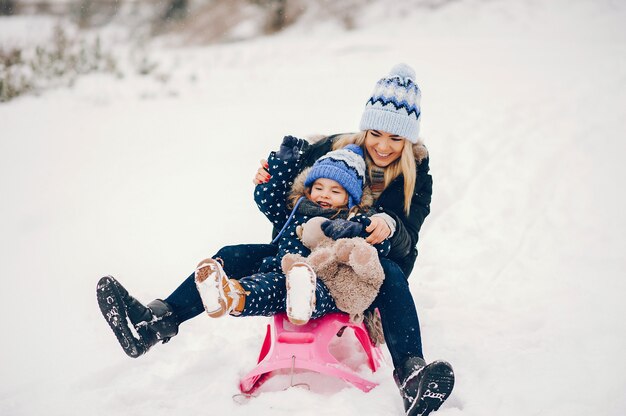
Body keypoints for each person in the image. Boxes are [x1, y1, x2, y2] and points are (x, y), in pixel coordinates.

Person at [96, 63, 454, 416]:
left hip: (360, 267)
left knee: (390, 273)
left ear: (409, 139)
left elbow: (410, 238)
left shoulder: (415, 177)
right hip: (297, 249)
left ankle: (411, 374)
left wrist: (388, 227)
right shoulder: (333, 148)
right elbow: (289, 199)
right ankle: (155, 322)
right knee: (232, 254)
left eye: (395, 138)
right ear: (365, 128)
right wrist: (269, 177)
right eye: (376, 133)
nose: (384, 145)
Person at [193, 141, 389, 326]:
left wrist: (356, 229)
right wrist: (282, 162)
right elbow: (267, 199)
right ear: (309, 189)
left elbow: (378, 245)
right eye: (318, 188)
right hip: (284, 273)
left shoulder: (352, 218)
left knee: (317, 291)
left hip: (326, 282)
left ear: (351, 199)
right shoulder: (296, 210)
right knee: (266, 286)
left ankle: (304, 300)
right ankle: (229, 296)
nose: (324, 194)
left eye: (335, 191)